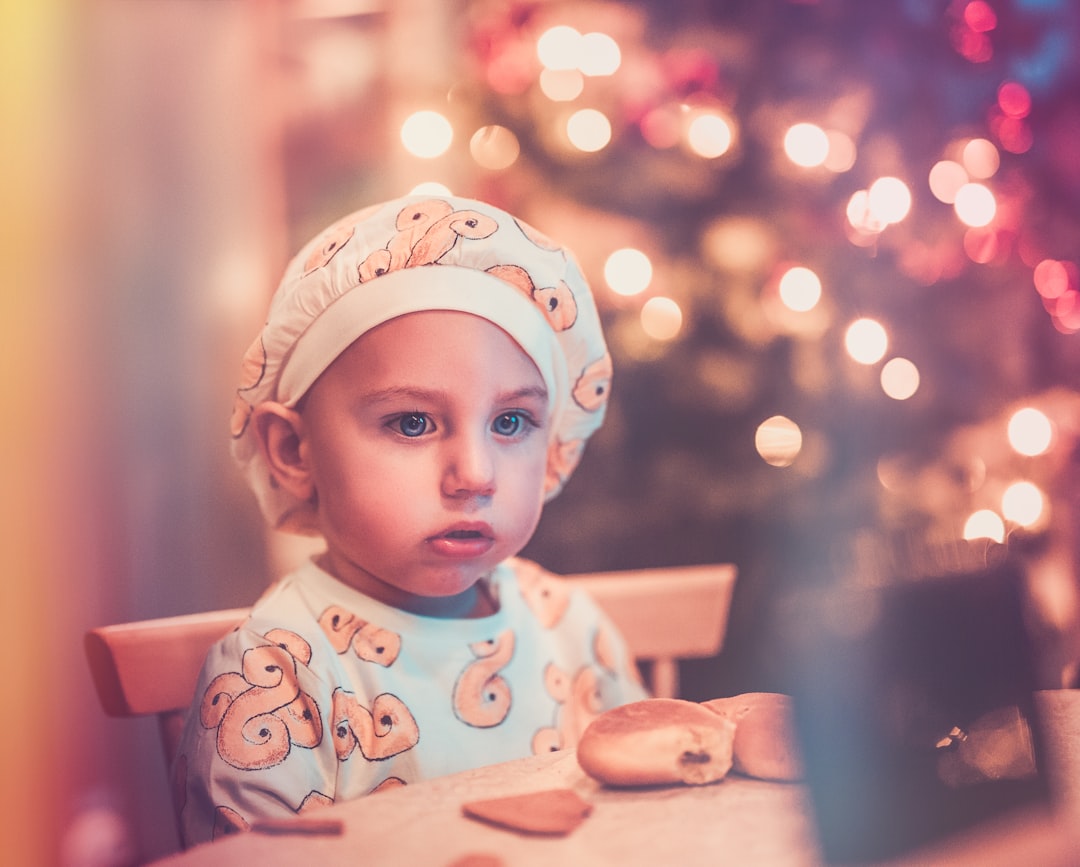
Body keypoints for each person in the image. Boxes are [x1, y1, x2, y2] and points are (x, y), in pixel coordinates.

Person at [172, 194, 649, 846]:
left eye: (511, 421)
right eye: (412, 422)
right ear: (294, 450)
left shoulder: (574, 633)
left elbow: (649, 829)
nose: (475, 473)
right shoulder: (278, 679)